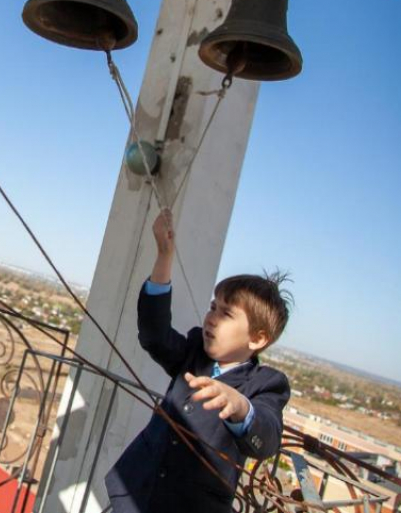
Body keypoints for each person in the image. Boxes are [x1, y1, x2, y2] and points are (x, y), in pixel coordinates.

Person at [105, 209, 292, 513]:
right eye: (212, 307)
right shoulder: (194, 351)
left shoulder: (266, 385)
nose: (211, 318)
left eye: (226, 313)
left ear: (257, 339)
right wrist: (164, 257)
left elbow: (267, 437)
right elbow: (154, 335)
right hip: (134, 492)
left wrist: (241, 407)